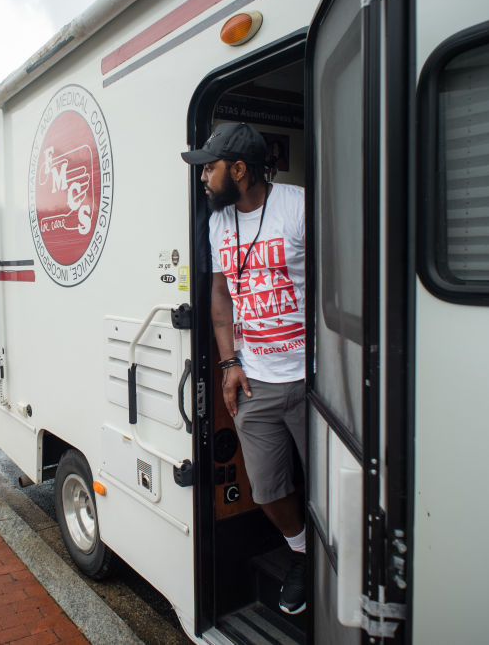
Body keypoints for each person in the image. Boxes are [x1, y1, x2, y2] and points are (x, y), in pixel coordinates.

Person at [182, 122, 308, 614]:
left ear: (238, 170)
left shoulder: (298, 206)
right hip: (254, 383)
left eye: (209, 169)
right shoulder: (218, 224)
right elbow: (220, 294)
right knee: (267, 487)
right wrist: (230, 362)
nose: (203, 179)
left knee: (330, 483)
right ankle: (300, 554)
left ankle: (341, 563)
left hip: (312, 379)